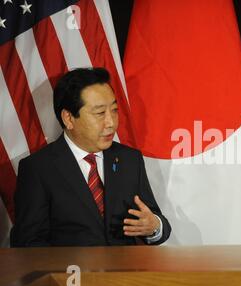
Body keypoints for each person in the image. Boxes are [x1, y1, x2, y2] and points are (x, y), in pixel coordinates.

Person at [11, 68, 171, 247]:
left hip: (126, 273)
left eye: (115, 110)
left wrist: (154, 226)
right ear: (69, 118)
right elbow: (27, 242)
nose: (111, 123)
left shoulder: (129, 159)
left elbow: (158, 222)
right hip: (71, 273)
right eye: (100, 113)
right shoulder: (38, 168)